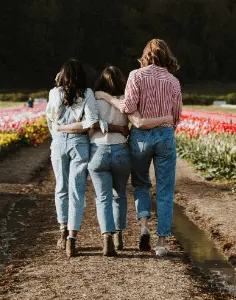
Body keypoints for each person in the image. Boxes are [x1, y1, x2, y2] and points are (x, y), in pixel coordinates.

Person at [58, 66, 171, 256]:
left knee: (102, 198)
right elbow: (129, 127)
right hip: (121, 152)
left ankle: (107, 238)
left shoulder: (94, 99)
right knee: (119, 195)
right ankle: (119, 235)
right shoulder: (125, 101)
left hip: (98, 150)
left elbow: (91, 127)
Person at [120, 39, 183, 256]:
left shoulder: (136, 76)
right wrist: (163, 121)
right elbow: (176, 117)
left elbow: (128, 107)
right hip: (165, 135)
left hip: (140, 136)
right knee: (165, 190)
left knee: (141, 184)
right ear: (167, 55)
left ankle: (144, 226)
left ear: (145, 55)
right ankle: (161, 243)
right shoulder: (173, 81)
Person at [45, 59, 99, 257]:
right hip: (80, 143)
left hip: (59, 143)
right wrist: (74, 127)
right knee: (77, 191)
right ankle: (72, 239)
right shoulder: (87, 94)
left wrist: (61, 130)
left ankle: (62, 230)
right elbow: (91, 122)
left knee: (61, 188)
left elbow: (51, 121)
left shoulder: (54, 93)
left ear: (62, 75)